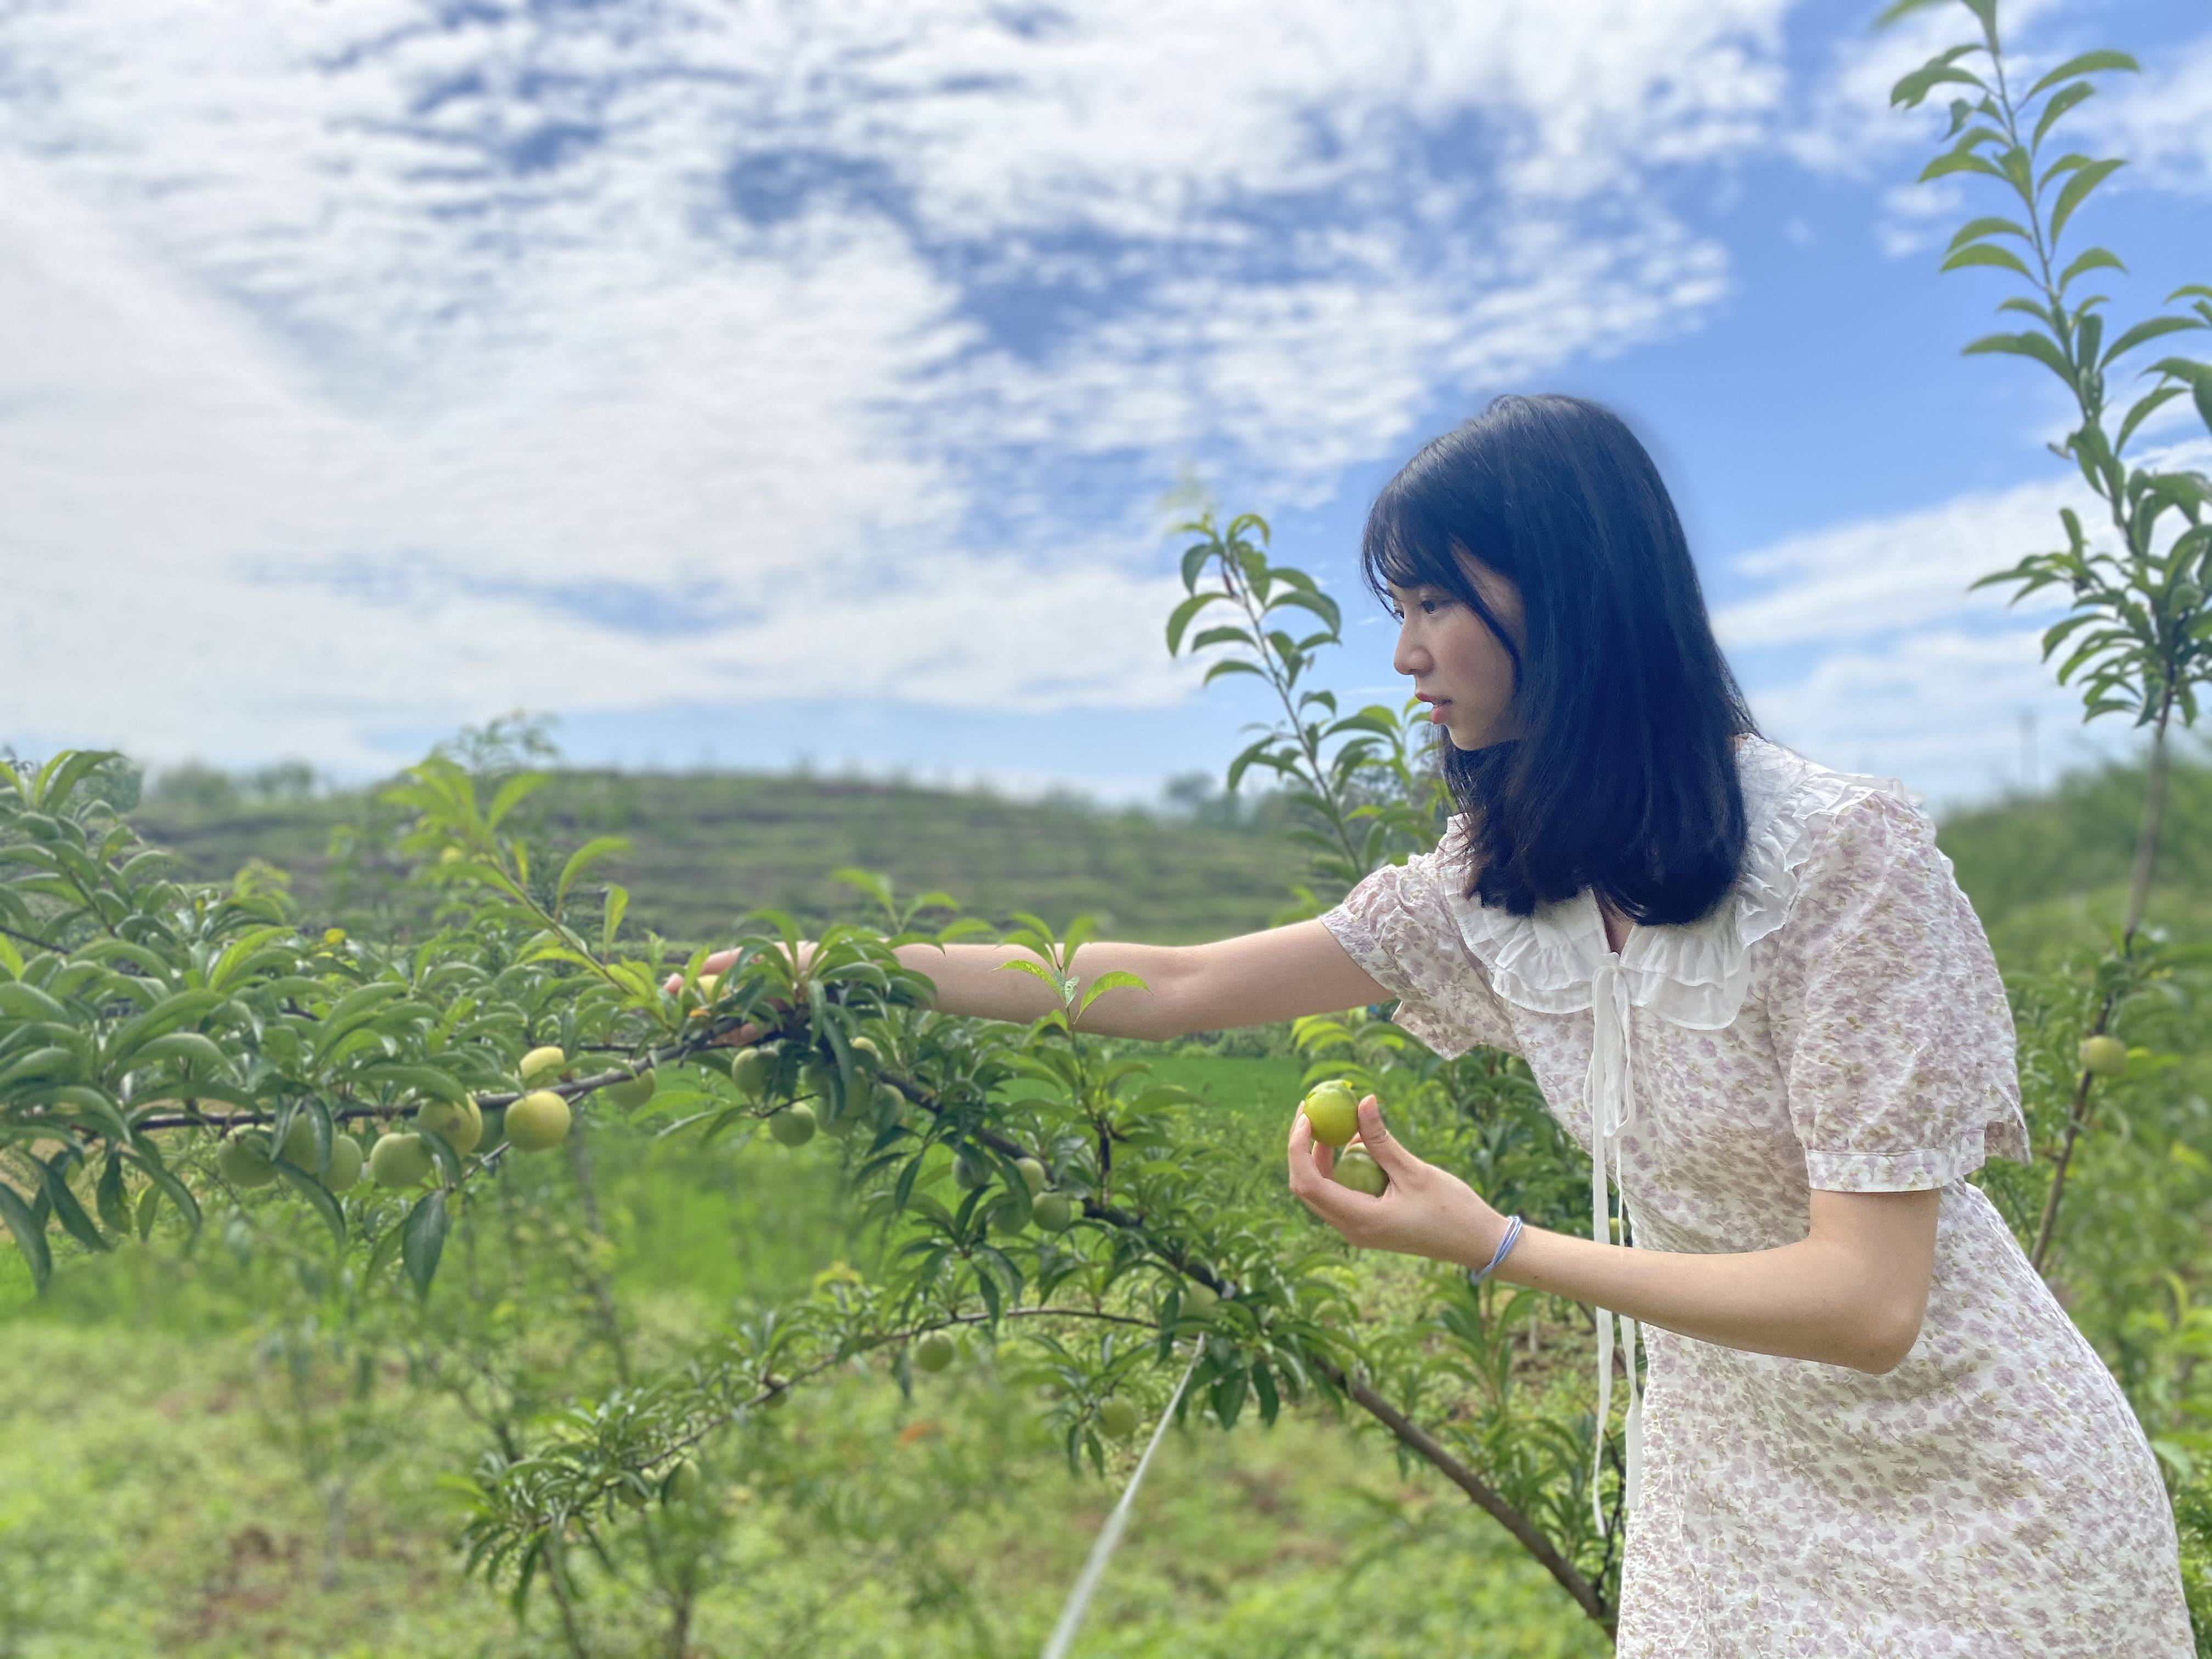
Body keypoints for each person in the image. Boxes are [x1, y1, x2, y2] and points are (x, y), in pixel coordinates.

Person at [685, 394, 2192, 1656]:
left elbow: (1871, 1305)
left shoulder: (1842, 863)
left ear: (1573, 598)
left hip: (1980, 1491)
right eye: (1395, 611)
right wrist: (851, 967)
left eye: (1431, 606)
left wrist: (1494, 1247)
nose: (1404, 655)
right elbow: (1191, 983)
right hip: (1732, 1489)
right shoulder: (1496, 888)